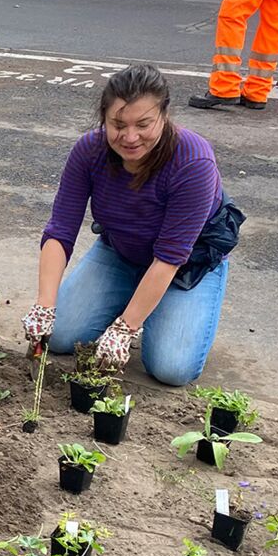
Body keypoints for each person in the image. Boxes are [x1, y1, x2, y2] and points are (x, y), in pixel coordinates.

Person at [25, 65, 243, 387]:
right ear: (104, 118)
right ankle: (134, 298)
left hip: (186, 267)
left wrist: (125, 328)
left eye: (143, 124)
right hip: (121, 253)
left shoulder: (193, 161)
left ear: (164, 116)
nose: (130, 137)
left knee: (171, 368)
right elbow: (60, 230)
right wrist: (45, 304)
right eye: (118, 125)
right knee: (60, 335)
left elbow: (170, 256)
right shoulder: (89, 151)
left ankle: (150, 309)